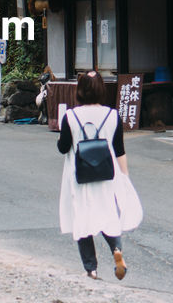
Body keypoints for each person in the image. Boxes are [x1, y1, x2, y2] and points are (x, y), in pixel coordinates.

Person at [56, 70, 143, 280]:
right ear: (101, 90)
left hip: (80, 176)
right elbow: (119, 149)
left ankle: (91, 269)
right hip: (107, 174)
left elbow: (62, 147)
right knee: (107, 214)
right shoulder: (112, 115)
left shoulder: (71, 116)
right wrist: (125, 176)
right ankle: (116, 250)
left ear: (80, 90)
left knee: (83, 218)